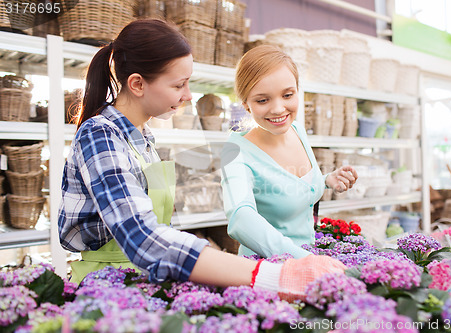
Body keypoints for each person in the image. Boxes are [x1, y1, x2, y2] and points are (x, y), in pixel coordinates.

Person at [58, 19, 346, 300]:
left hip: (145, 283)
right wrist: (273, 275)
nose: (187, 96)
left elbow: (159, 229)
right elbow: (145, 239)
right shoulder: (100, 137)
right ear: (137, 84)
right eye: (179, 85)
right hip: (107, 292)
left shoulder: (142, 138)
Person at [221, 45, 358, 259]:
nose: (278, 108)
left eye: (287, 95)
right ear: (246, 103)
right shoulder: (235, 152)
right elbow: (241, 218)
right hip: (268, 270)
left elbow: (292, 188)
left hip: (309, 263)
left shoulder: (297, 131)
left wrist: (325, 180)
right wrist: (305, 260)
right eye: (263, 100)